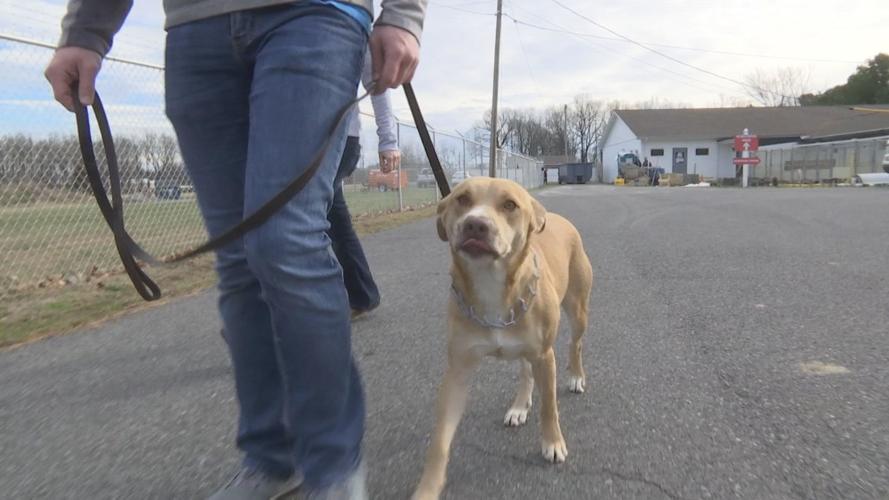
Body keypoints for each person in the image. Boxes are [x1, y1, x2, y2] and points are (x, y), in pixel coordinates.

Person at [45, 1, 427, 499]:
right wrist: (86, 29)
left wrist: (403, 14)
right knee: (238, 259)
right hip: (194, 27)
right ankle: (271, 456)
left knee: (284, 242)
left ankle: (332, 464)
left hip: (315, 15)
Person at [328, 48, 399, 318]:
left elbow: (377, 85)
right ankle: (362, 294)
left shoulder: (351, 15)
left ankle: (302, 311)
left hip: (340, 138)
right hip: (295, 139)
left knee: (299, 222)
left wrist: (388, 140)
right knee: (335, 218)